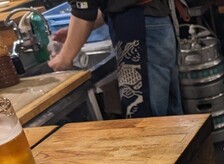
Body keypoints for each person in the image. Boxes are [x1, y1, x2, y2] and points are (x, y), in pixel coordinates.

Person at [48, 0, 186, 118]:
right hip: (156, 24)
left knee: (145, 121)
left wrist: (64, 58)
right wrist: (74, 32)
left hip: (140, 29)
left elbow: (84, 10)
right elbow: (107, 6)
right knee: (169, 118)